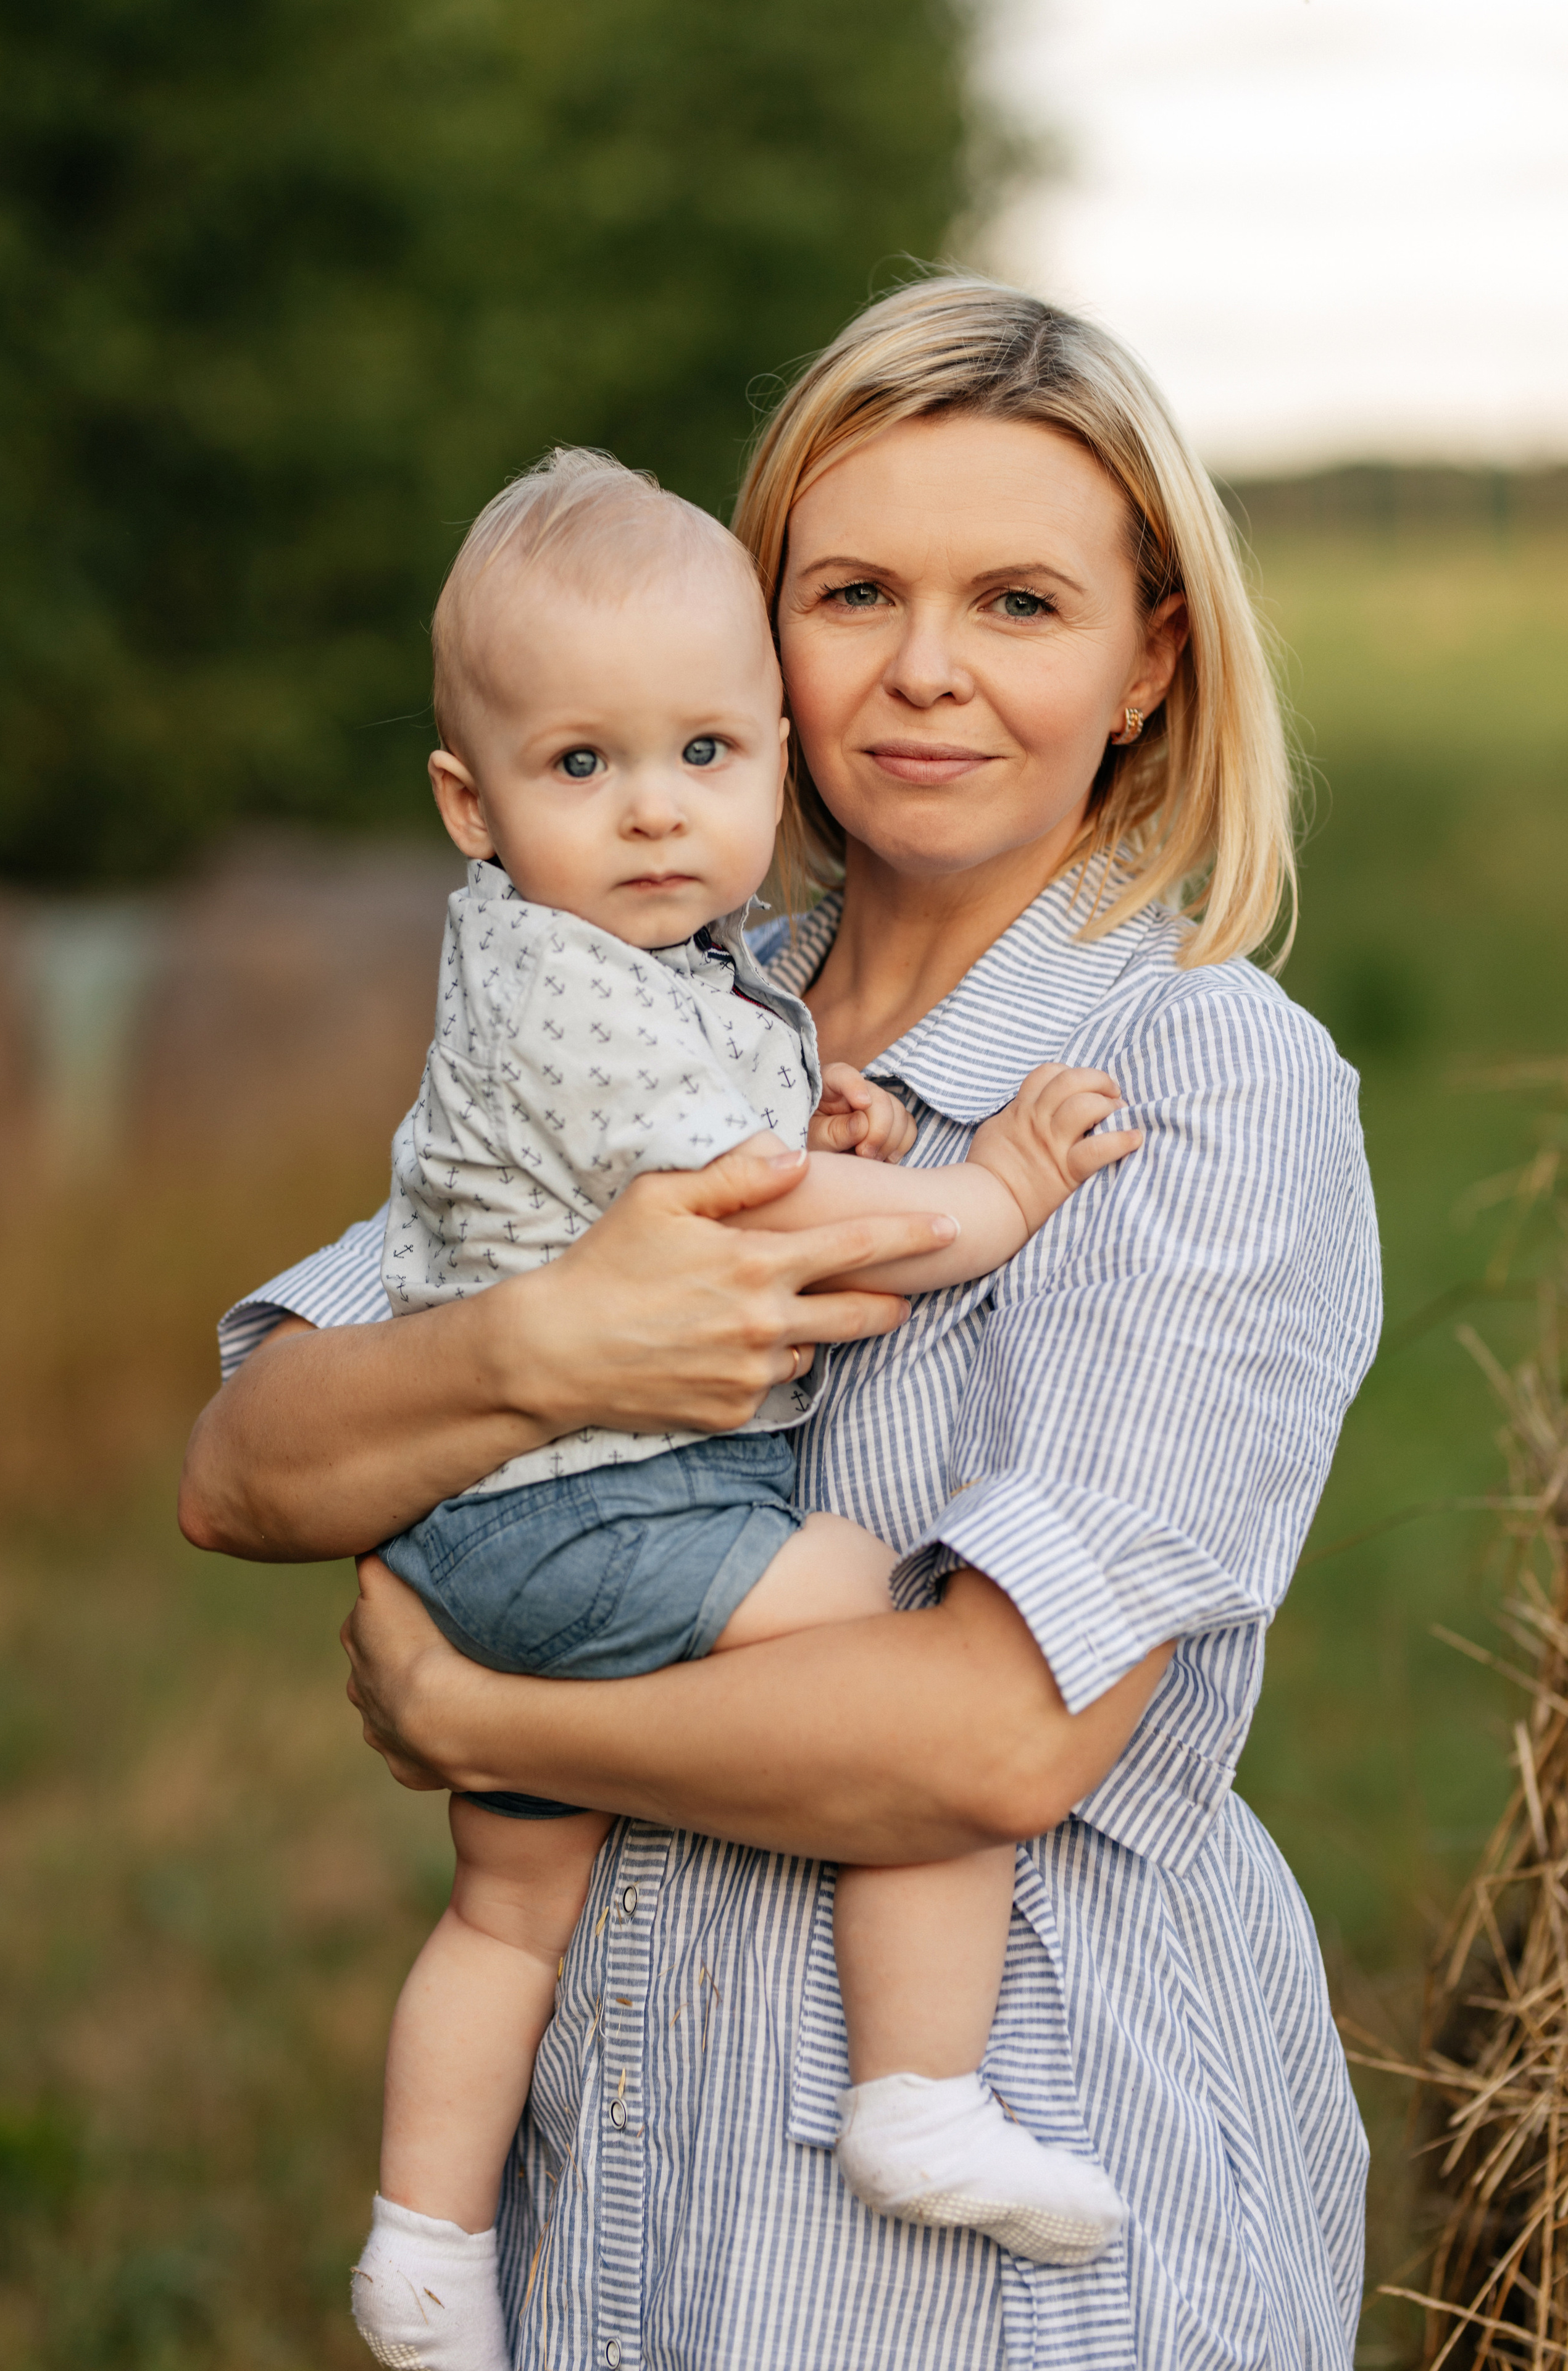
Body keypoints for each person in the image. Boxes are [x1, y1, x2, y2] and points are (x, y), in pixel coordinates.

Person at [181, 275, 1382, 2370]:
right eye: (851, 592)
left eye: (1019, 602)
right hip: (636, 2233)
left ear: (1147, 662)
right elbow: (251, 1460)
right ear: (761, 639)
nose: (926, 672)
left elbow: (999, 1731)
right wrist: (540, 1350)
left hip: (1002, 2273)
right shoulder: (636, 1000)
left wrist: (497, 1729)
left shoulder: (1198, 1083)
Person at [351, 446, 1138, 2369]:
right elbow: (792, 1241)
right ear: (471, 802)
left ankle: (424, 2248)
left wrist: (811, 1100)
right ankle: (915, 2093)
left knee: (507, 1910)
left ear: (771, 756)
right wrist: (990, 1191)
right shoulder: (587, 994)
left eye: (704, 757)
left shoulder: (607, 968)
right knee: (888, 1642)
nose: (652, 817)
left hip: (492, 1532)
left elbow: (724, 1133)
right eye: (583, 768)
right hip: (601, 1510)